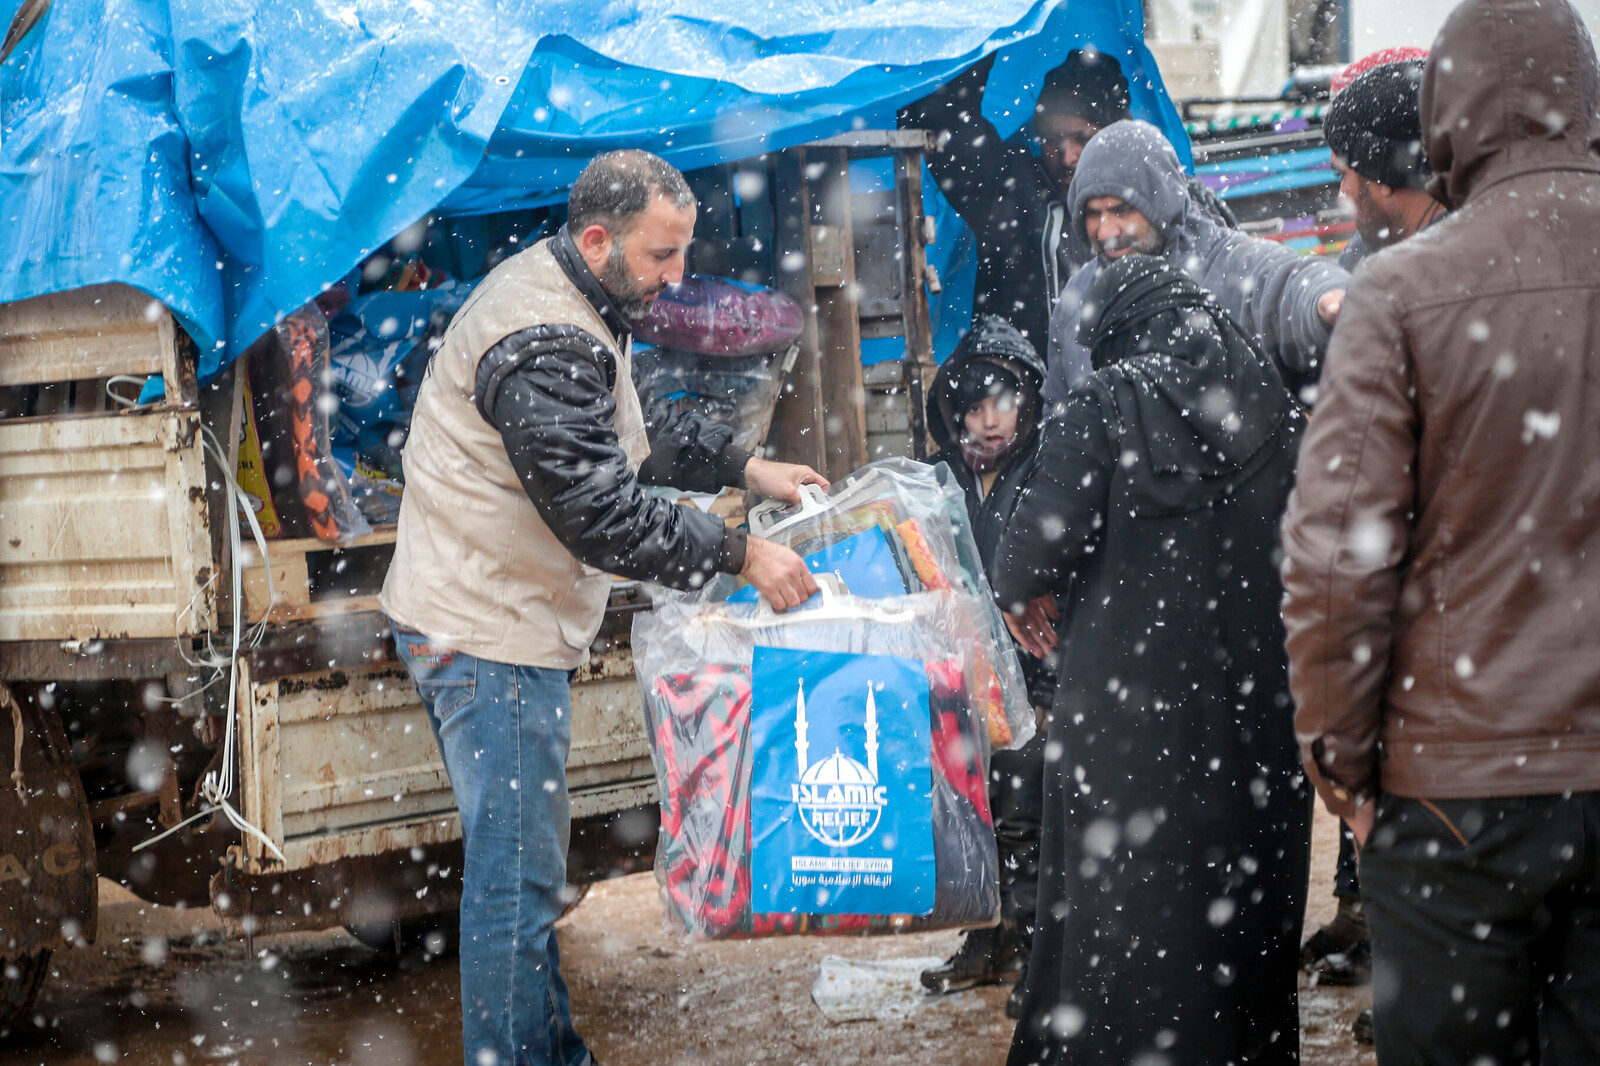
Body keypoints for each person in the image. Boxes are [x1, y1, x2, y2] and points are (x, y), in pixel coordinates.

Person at [380, 150, 827, 1066]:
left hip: (495, 618)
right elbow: (602, 513)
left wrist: (741, 466)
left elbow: (625, 431)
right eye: (663, 256)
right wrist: (741, 553)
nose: (678, 276)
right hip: (486, 633)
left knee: (526, 878)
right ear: (598, 239)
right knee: (517, 885)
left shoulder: (578, 298)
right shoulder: (544, 336)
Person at [1280, 0, 1600, 1061]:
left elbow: (1335, 562)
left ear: (1446, 111)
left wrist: (1343, 767)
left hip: (1455, 789)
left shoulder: (1403, 292)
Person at [995, 254, 1312, 1066]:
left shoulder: (1104, 404)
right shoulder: (1275, 406)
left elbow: (1025, 561)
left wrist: (1030, 595)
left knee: (1126, 911)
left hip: (1129, 724)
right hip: (1255, 716)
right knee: (1244, 906)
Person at [1299, 54, 1444, 1001]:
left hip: (1441, 684)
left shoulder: (1406, 296)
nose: (1342, 184)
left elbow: (1347, 541)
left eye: (1352, 165)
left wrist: (1338, 748)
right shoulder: (1377, 274)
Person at [899, 51, 1235, 347]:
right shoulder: (1011, 189)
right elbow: (938, 117)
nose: (1066, 155)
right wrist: (993, 24)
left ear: (1116, 134)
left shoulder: (1169, 198)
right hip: (1031, 405)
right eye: (1051, 139)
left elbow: (1226, 297)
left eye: (1082, 138)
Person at [915, 315, 1054, 1020]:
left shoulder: (1052, 466)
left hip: (1040, 681)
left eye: (1003, 402)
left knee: (1029, 818)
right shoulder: (944, 483)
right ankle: (987, 940)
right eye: (975, 406)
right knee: (976, 813)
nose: (990, 420)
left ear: (1028, 402)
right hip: (970, 684)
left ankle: (1034, 952)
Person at [1041, 120, 1347, 406]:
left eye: (1121, 210)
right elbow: (1056, 418)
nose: (1106, 232)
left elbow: (1292, 282)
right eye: (1093, 213)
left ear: (1161, 206)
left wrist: (1326, 300)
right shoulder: (1074, 304)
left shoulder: (1233, 264)